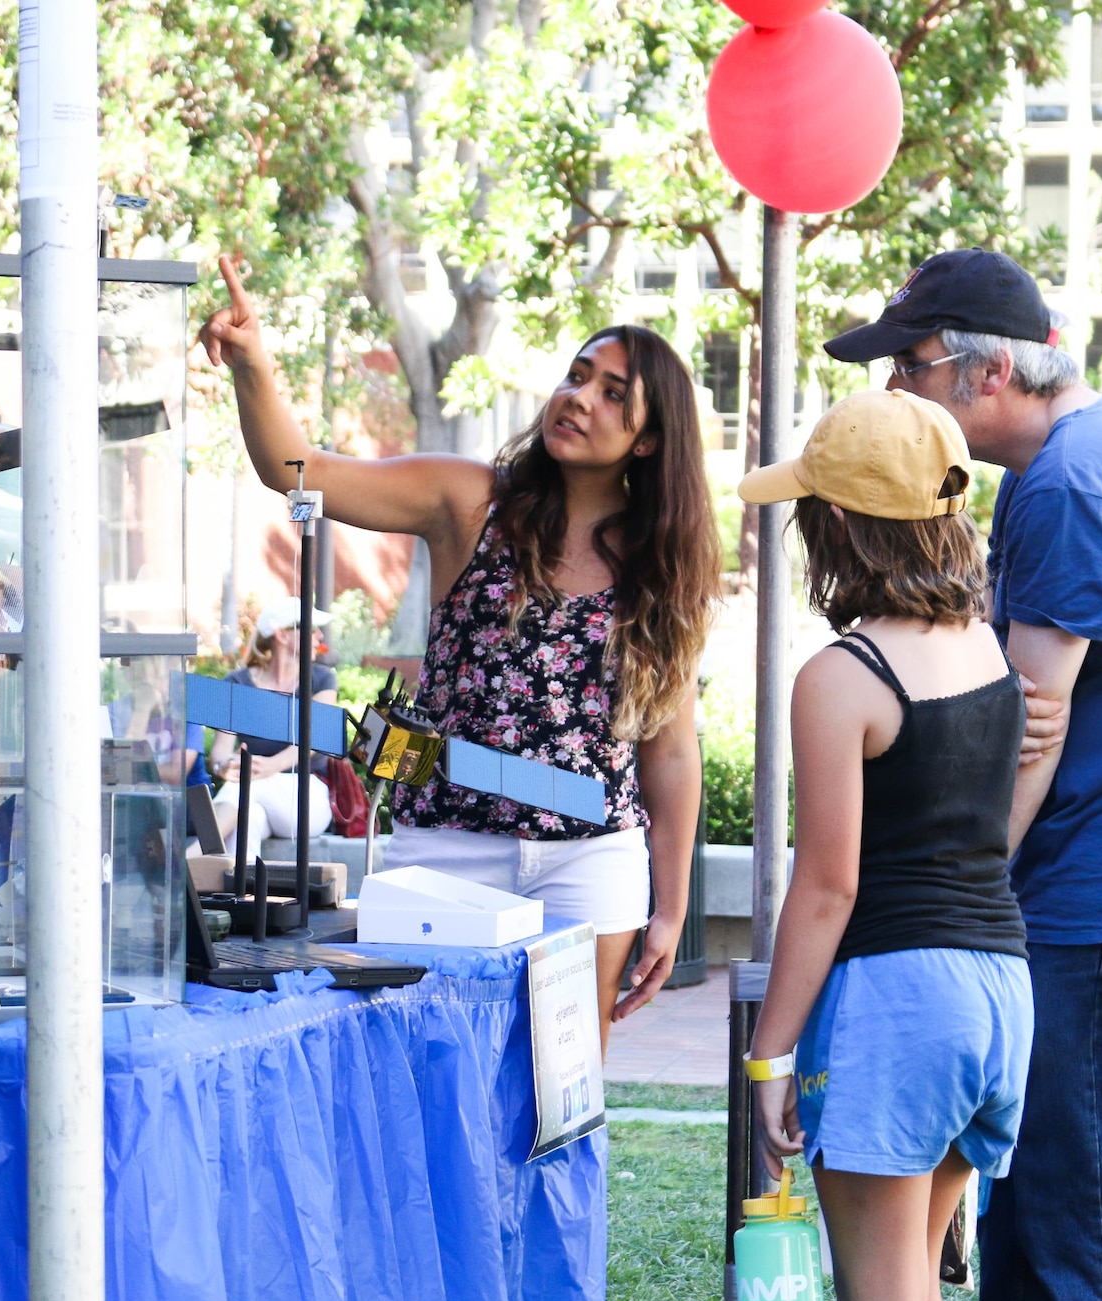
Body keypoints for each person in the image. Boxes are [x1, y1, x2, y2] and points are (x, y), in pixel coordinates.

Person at [825, 248, 1102, 1301]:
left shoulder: (1076, 477)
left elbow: (1021, 725)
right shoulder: (1066, 461)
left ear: (984, 376)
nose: (892, 392)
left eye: (907, 367)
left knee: (1087, 1237)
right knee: (1028, 1230)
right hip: (1098, 891)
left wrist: (950, 896)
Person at [199, 257, 717, 1046]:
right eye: (577, 375)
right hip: (443, 849)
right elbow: (297, 473)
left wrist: (671, 906)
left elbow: (671, 752)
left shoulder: (661, 568)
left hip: (592, 863)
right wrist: (253, 366)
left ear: (648, 441)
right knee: (418, 1083)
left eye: (613, 392)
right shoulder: (471, 501)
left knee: (555, 1102)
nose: (579, 396)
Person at [741, 391, 1032, 1301]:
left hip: (898, 1000)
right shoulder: (989, 649)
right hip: (999, 993)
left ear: (834, 524)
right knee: (915, 1297)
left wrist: (767, 1054)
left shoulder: (841, 678)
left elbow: (829, 884)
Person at [206, 596, 339, 843]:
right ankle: (232, 880)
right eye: (310, 628)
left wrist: (269, 766)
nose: (319, 636)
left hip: (309, 797)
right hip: (256, 794)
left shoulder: (322, 679)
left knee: (247, 785)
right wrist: (225, 766)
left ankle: (185, 861)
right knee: (246, 825)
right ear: (282, 635)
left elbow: (318, 737)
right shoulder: (235, 683)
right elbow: (220, 752)